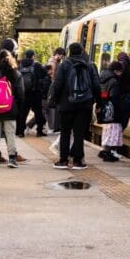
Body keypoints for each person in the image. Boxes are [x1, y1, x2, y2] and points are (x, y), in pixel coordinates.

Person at [46, 42, 102, 170]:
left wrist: (53, 101)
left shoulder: (64, 65)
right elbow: (96, 85)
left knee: (65, 132)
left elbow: (57, 84)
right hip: (84, 105)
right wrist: (99, 103)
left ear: (69, 51)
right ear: (82, 51)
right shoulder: (90, 65)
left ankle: (63, 161)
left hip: (66, 104)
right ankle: (78, 161)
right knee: (79, 133)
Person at [97, 61, 126, 162]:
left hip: (105, 107)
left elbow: (103, 93)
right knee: (114, 130)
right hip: (113, 109)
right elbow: (114, 96)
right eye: (119, 72)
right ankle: (108, 152)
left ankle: (105, 150)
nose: (120, 74)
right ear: (115, 71)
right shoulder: (114, 80)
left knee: (108, 130)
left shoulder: (103, 78)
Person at [17, 49, 47, 137]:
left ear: (25, 56)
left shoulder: (20, 64)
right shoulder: (36, 65)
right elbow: (44, 74)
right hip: (35, 92)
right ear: (33, 56)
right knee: (38, 112)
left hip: (24, 92)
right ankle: (39, 131)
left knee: (23, 113)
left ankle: (21, 132)